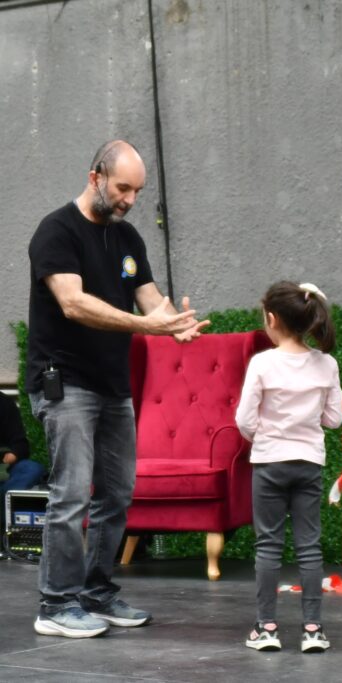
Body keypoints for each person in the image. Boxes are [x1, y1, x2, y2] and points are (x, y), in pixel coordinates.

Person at [27, 140, 209, 638]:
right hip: (64, 383)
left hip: (112, 386)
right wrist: (147, 326)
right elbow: (73, 303)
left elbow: (149, 300)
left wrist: (173, 324)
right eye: (123, 188)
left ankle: (95, 593)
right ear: (95, 178)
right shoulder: (56, 230)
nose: (130, 199)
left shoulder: (127, 237)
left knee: (117, 494)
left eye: (137, 191)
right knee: (70, 495)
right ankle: (55, 604)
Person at [235, 281, 342, 653]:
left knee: (268, 546)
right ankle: (313, 630)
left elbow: (244, 419)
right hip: (309, 463)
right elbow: (333, 419)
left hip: (269, 462)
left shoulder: (262, 363)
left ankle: (266, 628)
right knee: (309, 547)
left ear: (271, 318)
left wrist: (265, 438)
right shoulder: (327, 364)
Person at [1, 390, 47, 545]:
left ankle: (5, 515)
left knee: (32, 469)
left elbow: (21, 444)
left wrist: (13, 454)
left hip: (5, 467)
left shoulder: (4, 403)